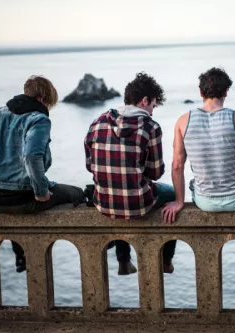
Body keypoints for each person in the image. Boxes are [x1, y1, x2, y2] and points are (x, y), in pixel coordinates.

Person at [0, 75, 85, 273]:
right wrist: (41, 191)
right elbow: (31, 156)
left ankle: (21, 254)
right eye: (48, 103)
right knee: (77, 193)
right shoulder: (39, 119)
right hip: (24, 198)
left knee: (22, 203)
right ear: (42, 99)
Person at [161, 67, 235, 257]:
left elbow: (177, 165)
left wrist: (178, 201)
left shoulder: (183, 122)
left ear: (201, 93)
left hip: (204, 202)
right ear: (226, 92)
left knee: (195, 183)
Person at [84, 72, 177, 275]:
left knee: (115, 189)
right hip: (138, 205)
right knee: (173, 195)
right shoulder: (150, 127)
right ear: (145, 101)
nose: (152, 112)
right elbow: (155, 172)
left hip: (103, 202)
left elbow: (90, 165)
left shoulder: (97, 122)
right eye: (153, 105)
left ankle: (123, 261)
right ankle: (166, 260)